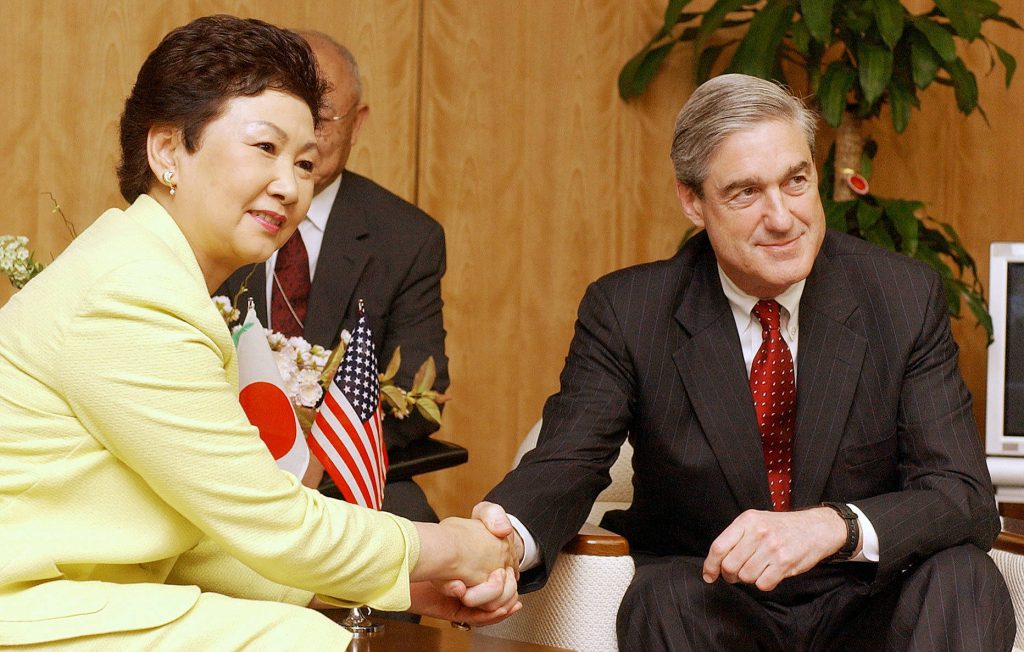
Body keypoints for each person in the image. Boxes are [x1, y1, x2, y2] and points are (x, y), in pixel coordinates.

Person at [0, 15, 518, 649]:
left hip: (75, 597)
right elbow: (272, 522)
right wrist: (451, 548)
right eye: (265, 149)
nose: (290, 186)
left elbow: (199, 541)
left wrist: (404, 587)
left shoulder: (149, 268)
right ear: (167, 151)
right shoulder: (130, 292)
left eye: (305, 163)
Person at [480, 74, 1014, 650]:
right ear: (693, 201)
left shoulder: (902, 297)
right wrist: (501, 540)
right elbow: (567, 460)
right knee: (663, 595)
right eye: (746, 193)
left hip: (868, 600)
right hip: (714, 602)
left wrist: (835, 524)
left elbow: (962, 495)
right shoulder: (631, 311)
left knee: (964, 576)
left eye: (796, 181)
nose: (783, 217)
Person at [217, 30, 448, 523]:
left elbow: (417, 386)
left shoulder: (407, 238)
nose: (301, 138)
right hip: (217, 459)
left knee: (411, 523)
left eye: (319, 120)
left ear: (356, 123)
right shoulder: (215, 208)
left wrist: (318, 456)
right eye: (284, 119)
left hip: (342, 469)